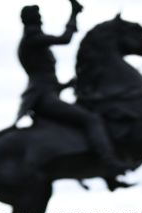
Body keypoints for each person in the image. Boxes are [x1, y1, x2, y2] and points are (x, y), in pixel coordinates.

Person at [11, 1, 130, 175]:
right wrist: (74, 13)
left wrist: (67, 84)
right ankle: (110, 162)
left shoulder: (32, 41)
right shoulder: (32, 39)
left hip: (48, 93)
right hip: (43, 98)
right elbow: (65, 39)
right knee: (91, 119)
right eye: (38, 18)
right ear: (32, 20)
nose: (41, 20)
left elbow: (46, 78)